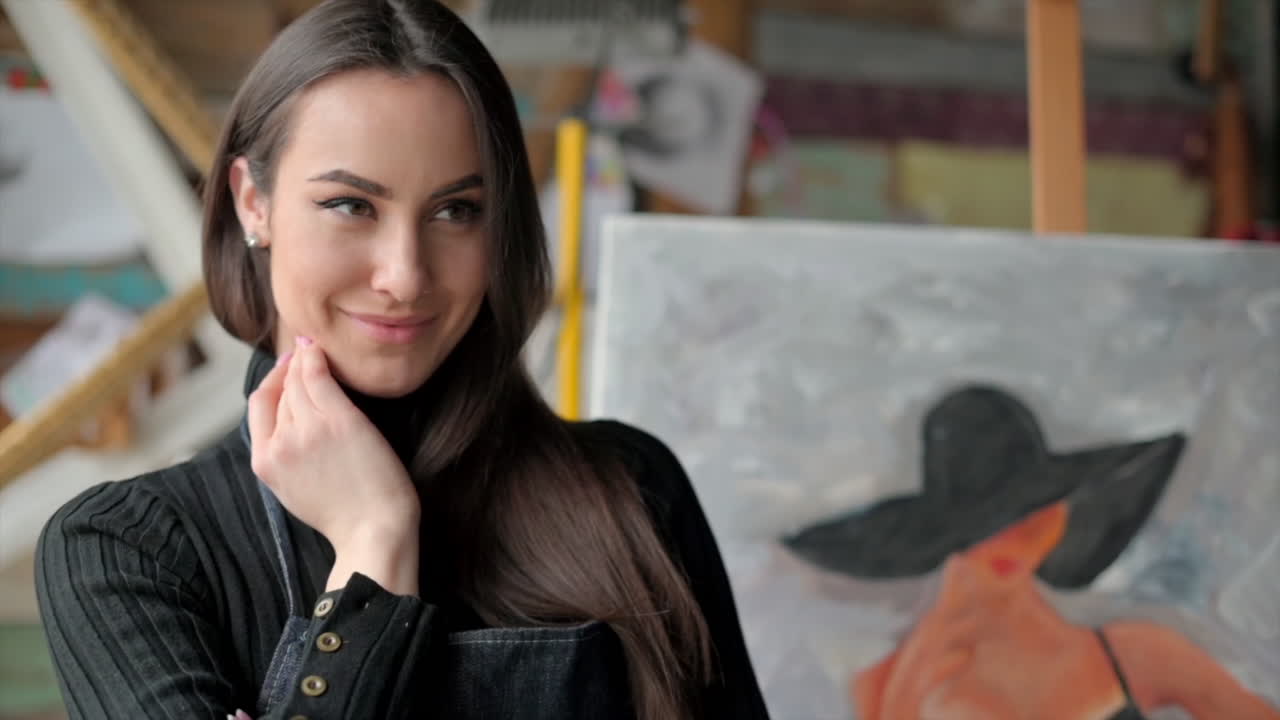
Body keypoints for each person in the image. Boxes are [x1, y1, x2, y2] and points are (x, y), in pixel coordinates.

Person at [33, 2, 770, 718]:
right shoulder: (125, 554)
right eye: (352, 205)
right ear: (253, 202)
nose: (405, 275)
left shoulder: (634, 490)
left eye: (456, 211)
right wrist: (374, 537)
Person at [785, 385, 1280, 720]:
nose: (1013, 541)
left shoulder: (1139, 653)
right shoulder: (889, 686)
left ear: (1063, 514)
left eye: (1032, 514)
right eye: (989, 523)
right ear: (942, 533)